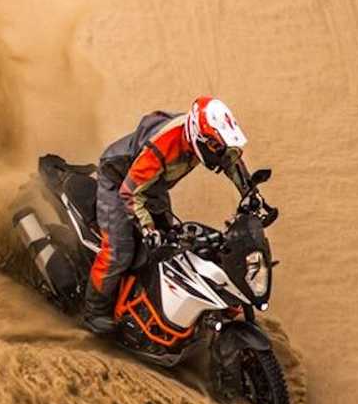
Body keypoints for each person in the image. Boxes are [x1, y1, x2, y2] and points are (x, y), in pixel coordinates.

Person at [82, 96, 252, 335]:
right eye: (215, 146)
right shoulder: (165, 146)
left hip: (152, 187)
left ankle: (153, 305)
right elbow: (129, 194)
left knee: (170, 248)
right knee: (120, 250)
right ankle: (95, 311)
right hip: (120, 181)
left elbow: (230, 160)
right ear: (199, 137)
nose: (219, 152)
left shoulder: (206, 142)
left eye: (220, 146)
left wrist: (251, 193)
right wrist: (148, 229)